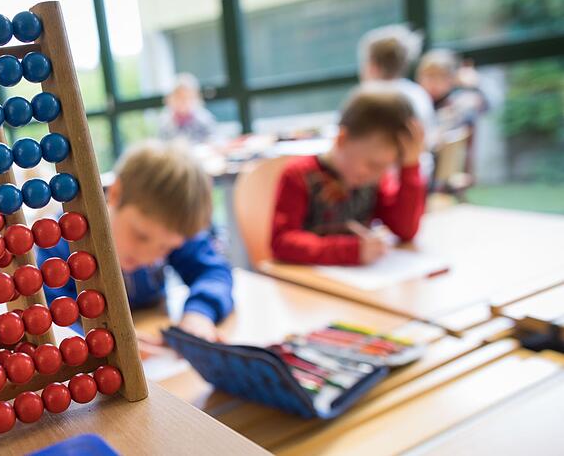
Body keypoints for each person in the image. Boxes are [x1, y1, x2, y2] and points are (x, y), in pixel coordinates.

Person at [37, 142, 233, 341]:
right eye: (141, 236)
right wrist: (102, 342)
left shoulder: (172, 227)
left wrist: (199, 313)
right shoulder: (59, 244)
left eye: (166, 248)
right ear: (115, 194)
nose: (148, 257)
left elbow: (214, 272)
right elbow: (47, 317)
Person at [270, 87, 426, 265]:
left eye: (386, 168)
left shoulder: (376, 180)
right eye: (372, 165)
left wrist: (410, 167)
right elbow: (281, 242)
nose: (377, 175)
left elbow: (405, 230)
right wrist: (351, 251)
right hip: (304, 283)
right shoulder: (298, 176)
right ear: (342, 139)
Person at [416, 49, 488, 133]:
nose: (433, 83)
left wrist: (477, 82)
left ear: (453, 79)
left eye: (441, 77)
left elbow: (492, 101)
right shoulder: (415, 100)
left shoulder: (458, 100)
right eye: (429, 76)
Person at [158, 73, 217, 143]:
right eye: (179, 97)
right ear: (170, 99)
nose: (183, 102)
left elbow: (213, 139)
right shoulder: (165, 121)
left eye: (188, 97)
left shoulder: (204, 118)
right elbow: (162, 143)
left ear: (196, 98)